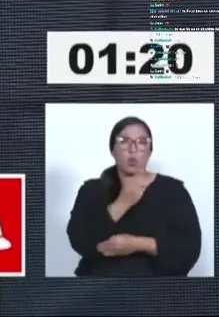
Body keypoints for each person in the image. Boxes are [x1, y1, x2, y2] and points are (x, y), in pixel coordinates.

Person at [65, 116, 202, 277]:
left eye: (142, 142)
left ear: (150, 151)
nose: (133, 149)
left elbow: (190, 248)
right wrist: (123, 202)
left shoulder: (173, 190)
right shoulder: (92, 190)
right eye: (123, 141)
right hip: (100, 287)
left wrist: (139, 244)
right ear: (112, 149)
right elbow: (80, 241)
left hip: (156, 288)